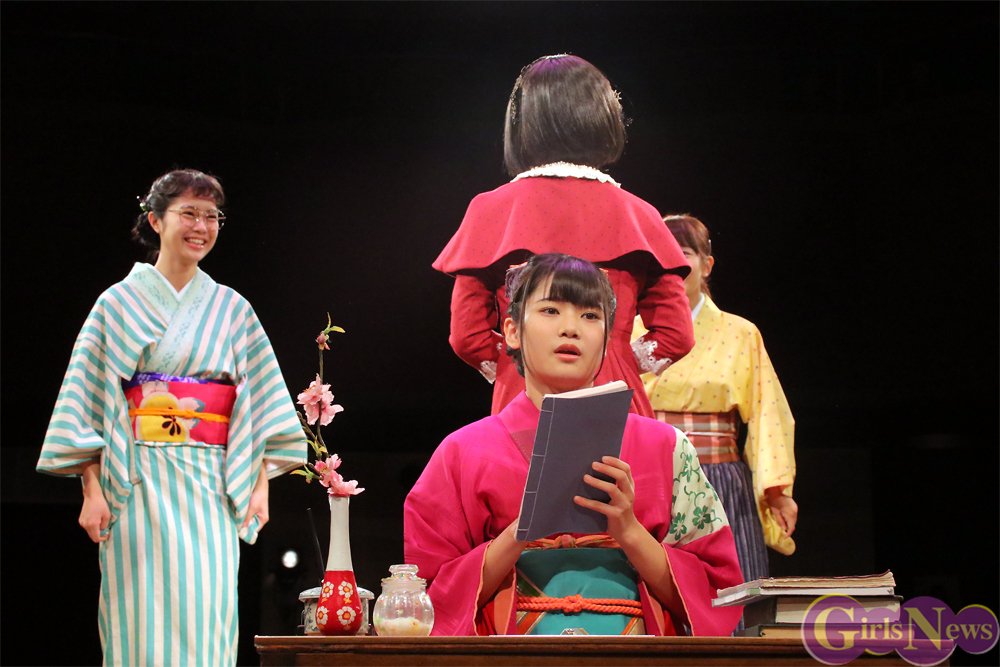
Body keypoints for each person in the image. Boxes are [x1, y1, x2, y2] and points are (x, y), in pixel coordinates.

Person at [36, 169, 307, 666]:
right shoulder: (116, 304)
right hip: (137, 484)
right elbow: (87, 399)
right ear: (156, 220)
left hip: (211, 487)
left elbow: (259, 406)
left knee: (209, 618)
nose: (201, 226)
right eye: (189, 213)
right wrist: (91, 490)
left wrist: (259, 485)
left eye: (211, 215)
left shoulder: (233, 310)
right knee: (138, 622)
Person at [405, 253, 742, 637]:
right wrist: (521, 531)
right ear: (512, 331)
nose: (571, 329)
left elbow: (718, 593)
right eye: (550, 310)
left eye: (590, 316)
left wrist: (629, 531)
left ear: (608, 340)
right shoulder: (462, 452)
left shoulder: (667, 448)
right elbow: (423, 599)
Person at [432, 54, 694, 418]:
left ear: (523, 123)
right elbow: (677, 335)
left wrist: (521, 358)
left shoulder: (491, 210)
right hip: (616, 395)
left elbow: (467, 336)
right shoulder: (640, 215)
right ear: (603, 116)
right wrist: (616, 358)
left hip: (524, 394)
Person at [634, 214, 798, 588]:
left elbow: (768, 414)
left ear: (706, 265)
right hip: (652, 474)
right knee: (658, 586)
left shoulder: (741, 333)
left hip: (720, 476)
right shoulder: (628, 329)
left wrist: (777, 490)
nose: (673, 263)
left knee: (733, 591)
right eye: (662, 253)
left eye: (684, 252)